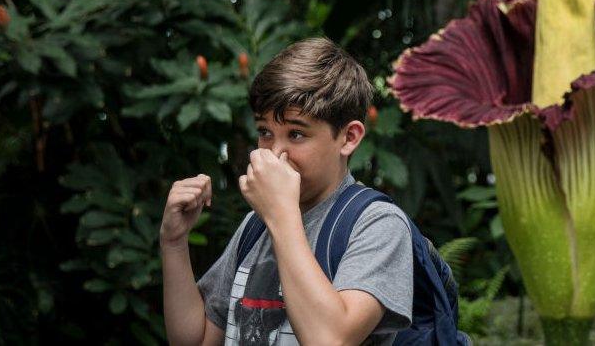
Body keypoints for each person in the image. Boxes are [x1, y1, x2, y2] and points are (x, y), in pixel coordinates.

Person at [159, 37, 414, 346]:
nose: (275, 153)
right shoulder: (256, 226)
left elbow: (330, 340)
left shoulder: (378, 225)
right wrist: (174, 243)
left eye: (296, 134)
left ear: (349, 137)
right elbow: (196, 341)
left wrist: (280, 214)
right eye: (265, 132)